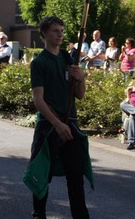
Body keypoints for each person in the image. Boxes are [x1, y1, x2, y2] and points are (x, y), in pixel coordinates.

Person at [27, 16, 91, 219]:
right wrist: (57, 124)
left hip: (70, 124)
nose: (60, 34)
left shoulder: (67, 58)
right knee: (42, 175)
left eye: (62, 31)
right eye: (55, 31)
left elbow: (80, 95)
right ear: (44, 33)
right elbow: (39, 100)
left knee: (75, 177)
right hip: (48, 126)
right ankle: (39, 215)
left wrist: (80, 78)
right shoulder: (39, 62)